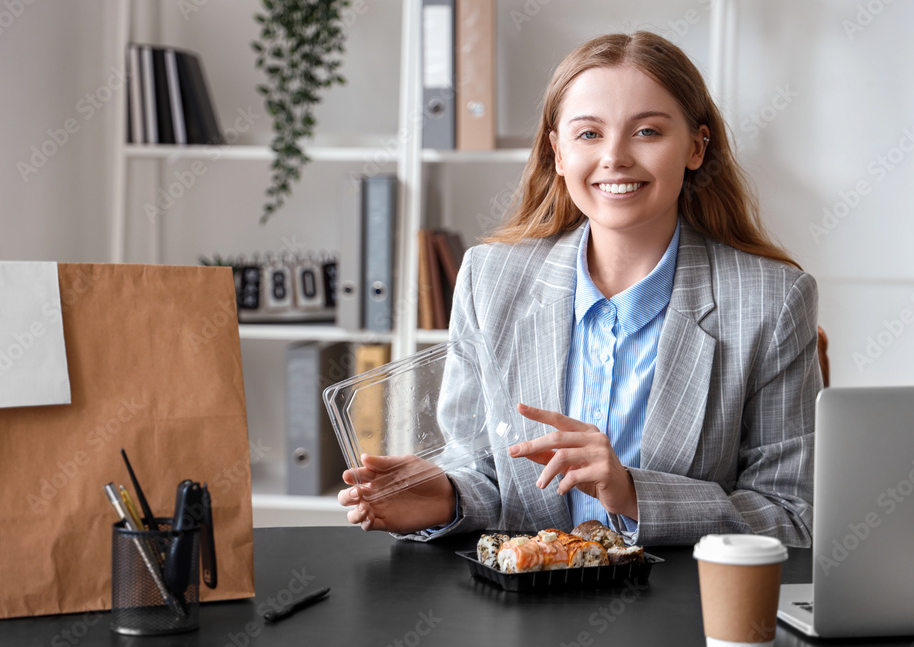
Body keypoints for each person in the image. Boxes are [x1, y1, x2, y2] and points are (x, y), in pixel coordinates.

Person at [338, 32, 821, 547]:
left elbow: (792, 516)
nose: (615, 157)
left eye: (648, 132)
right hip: (522, 611)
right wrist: (448, 496)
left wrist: (633, 493)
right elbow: (476, 462)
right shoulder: (488, 279)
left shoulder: (772, 301)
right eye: (589, 134)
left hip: (679, 611)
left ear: (696, 147)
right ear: (558, 153)